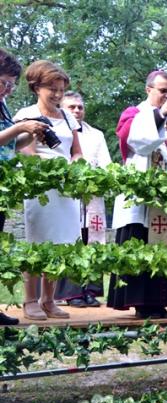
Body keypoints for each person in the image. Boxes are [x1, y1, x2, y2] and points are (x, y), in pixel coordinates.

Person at [108, 69, 167, 319]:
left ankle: (161, 303)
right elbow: (138, 142)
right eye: (163, 91)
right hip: (142, 202)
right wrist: (161, 114)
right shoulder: (135, 114)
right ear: (149, 90)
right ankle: (143, 304)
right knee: (142, 247)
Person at [14, 60, 83, 321]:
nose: (57, 94)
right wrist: (52, 170)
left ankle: (48, 299)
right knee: (38, 241)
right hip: (41, 187)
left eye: (61, 90)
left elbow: (76, 151)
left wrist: (75, 165)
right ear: (36, 87)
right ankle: (30, 299)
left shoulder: (66, 116)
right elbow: (27, 153)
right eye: (52, 89)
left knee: (60, 244)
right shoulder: (26, 114)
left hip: (66, 188)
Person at [0, 49, 49, 325]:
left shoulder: (3, 105)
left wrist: (30, 134)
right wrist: (20, 127)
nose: (8, 89)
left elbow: (10, 145)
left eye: (11, 85)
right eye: (4, 83)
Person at [54, 91, 112, 308]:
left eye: (80, 107)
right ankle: (72, 292)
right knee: (72, 240)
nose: (77, 110)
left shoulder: (96, 134)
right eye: (71, 107)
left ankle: (90, 290)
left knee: (92, 240)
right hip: (67, 194)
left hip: (92, 194)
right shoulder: (56, 131)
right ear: (62, 108)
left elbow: (106, 163)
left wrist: (99, 177)